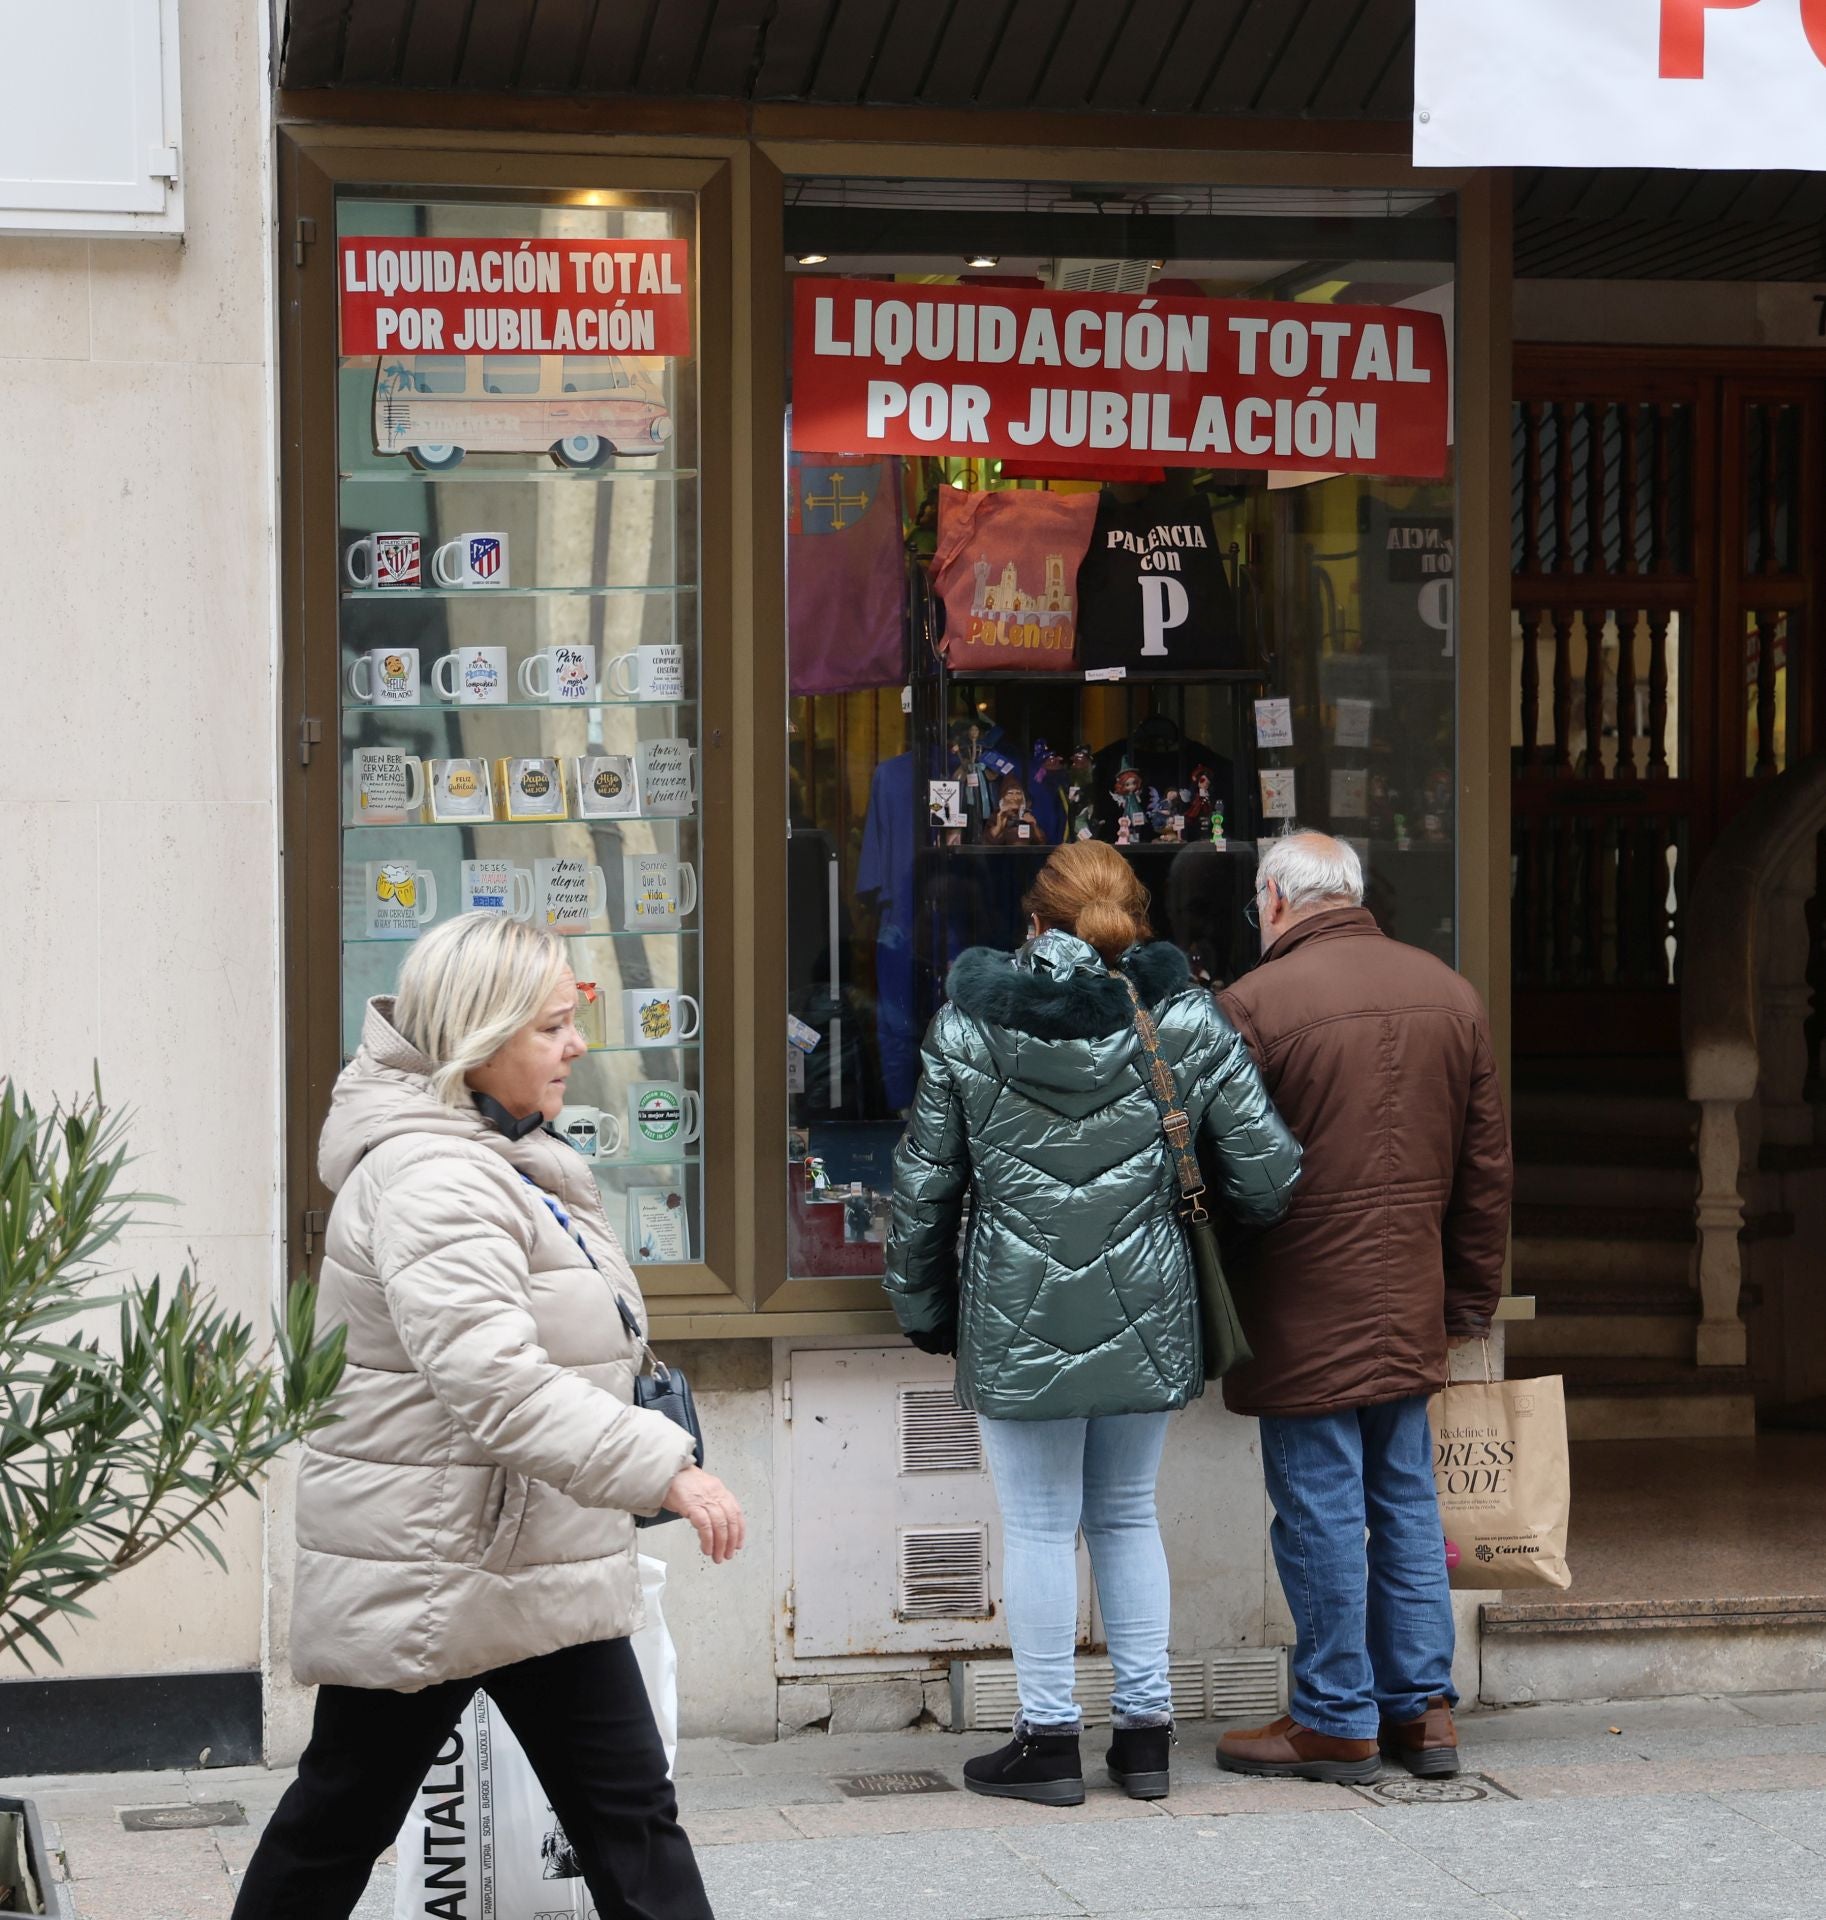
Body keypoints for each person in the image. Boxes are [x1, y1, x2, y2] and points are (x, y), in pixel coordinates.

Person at [233, 913, 743, 1920]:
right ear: (483, 1034)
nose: (576, 1045)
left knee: (630, 1821)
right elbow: (496, 1382)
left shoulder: (502, 1156)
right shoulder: (436, 1180)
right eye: (553, 1024)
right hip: (434, 1566)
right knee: (339, 1820)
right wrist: (664, 1466)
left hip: (532, 1550)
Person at [885, 841, 1301, 1807]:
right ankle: (1147, 1740)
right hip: (1149, 1307)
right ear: (1136, 921)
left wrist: (922, 1308)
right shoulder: (1185, 1019)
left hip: (1013, 1308)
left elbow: (924, 1187)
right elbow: (1271, 1175)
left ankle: (1046, 1741)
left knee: (1036, 1527)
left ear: (1033, 922)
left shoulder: (968, 1024)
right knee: (1123, 1515)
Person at [1214, 833, 1511, 1785]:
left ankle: (1336, 1715)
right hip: (1410, 1300)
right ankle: (1422, 1713)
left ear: (1273, 901)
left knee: (1323, 1512)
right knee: (1408, 1502)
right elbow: (1486, 1176)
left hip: (1301, 1311)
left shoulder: (1253, 1006)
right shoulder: (1451, 994)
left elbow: (1216, 1181)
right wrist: (1467, 1300)